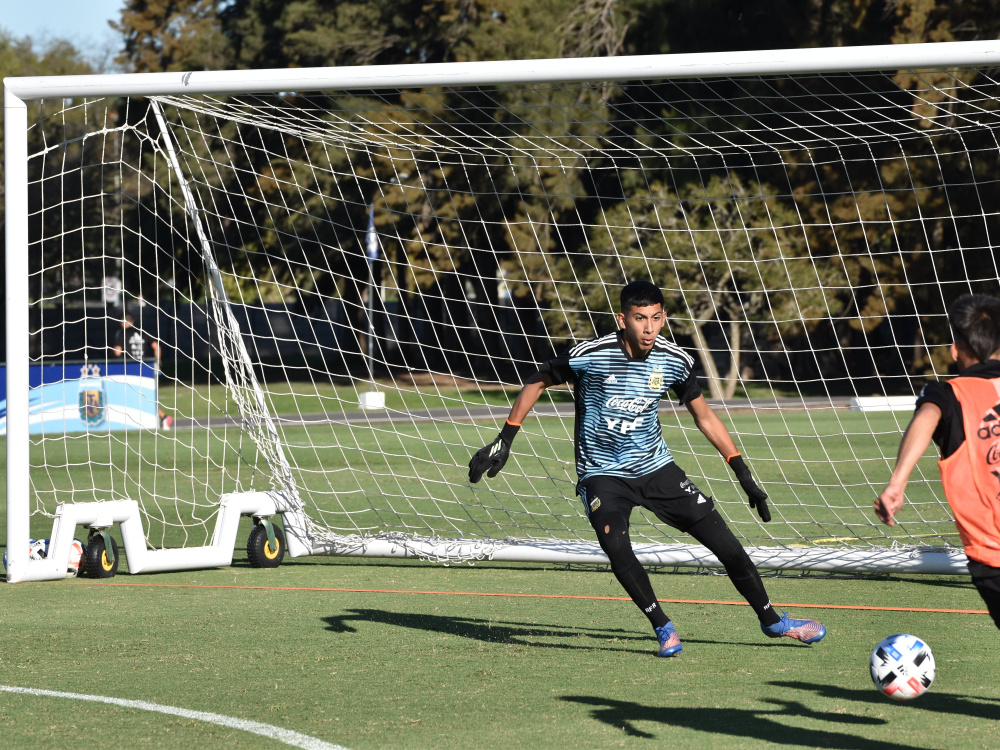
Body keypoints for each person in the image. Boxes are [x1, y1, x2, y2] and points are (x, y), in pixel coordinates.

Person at [469, 280, 826, 656]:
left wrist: (741, 471)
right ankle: (663, 628)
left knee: (729, 547)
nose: (649, 328)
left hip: (656, 469)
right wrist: (506, 437)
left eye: (656, 318)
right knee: (616, 546)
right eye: (640, 318)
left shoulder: (674, 359)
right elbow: (537, 380)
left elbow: (704, 416)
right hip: (602, 475)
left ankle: (773, 621)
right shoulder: (591, 354)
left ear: (664, 318)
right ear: (622, 319)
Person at [875, 294, 1000, 631]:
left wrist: (897, 483)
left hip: (992, 553)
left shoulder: (949, 395)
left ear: (955, 350)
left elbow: (927, 417)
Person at [113, 312, 173, 430]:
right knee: (143, 395)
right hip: (145, 367)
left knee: (129, 395)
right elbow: (157, 347)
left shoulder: (122, 334)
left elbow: (117, 352)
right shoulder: (143, 332)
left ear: (124, 322)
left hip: (130, 368)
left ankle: (163, 417)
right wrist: (157, 363)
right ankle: (163, 417)